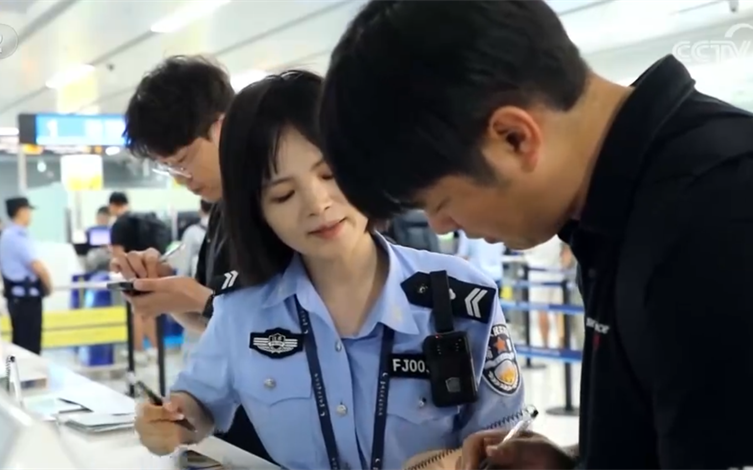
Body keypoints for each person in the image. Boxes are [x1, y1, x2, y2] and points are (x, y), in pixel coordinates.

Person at [319, 2, 753, 470]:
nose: (441, 227)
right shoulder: (621, 213)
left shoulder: (732, 229)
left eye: (439, 203)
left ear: (514, 137)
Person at [133, 70, 526, 470]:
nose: (317, 204)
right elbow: (199, 404)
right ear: (258, 213)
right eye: (284, 194)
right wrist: (172, 422)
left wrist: (452, 462)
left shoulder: (461, 299)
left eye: (330, 175)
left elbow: (509, 443)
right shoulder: (242, 308)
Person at [112, 55, 270, 461]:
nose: (183, 181)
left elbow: (293, 331)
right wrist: (167, 295)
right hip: (237, 429)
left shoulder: (277, 206)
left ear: (221, 127)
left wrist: (194, 296)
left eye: (182, 163)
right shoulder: (221, 211)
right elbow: (217, 329)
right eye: (169, 170)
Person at [108, 191, 160, 364]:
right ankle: (155, 349)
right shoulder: (142, 220)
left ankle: (138, 351)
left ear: (113, 205)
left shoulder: (119, 224)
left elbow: (118, 255)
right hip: (150, 270)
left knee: (136, 311)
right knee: (150, 311)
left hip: (131, 272)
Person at [0, 197, 51, 355]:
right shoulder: (16, 237)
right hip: (26, 300)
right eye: (28, 211)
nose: (30, 215)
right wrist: (49, 287)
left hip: (18, 298)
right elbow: (37, 266)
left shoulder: (8, 235)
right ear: (21, 212)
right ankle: (24, 372)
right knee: (29, 347)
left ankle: (18, 371)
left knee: (21, 344)